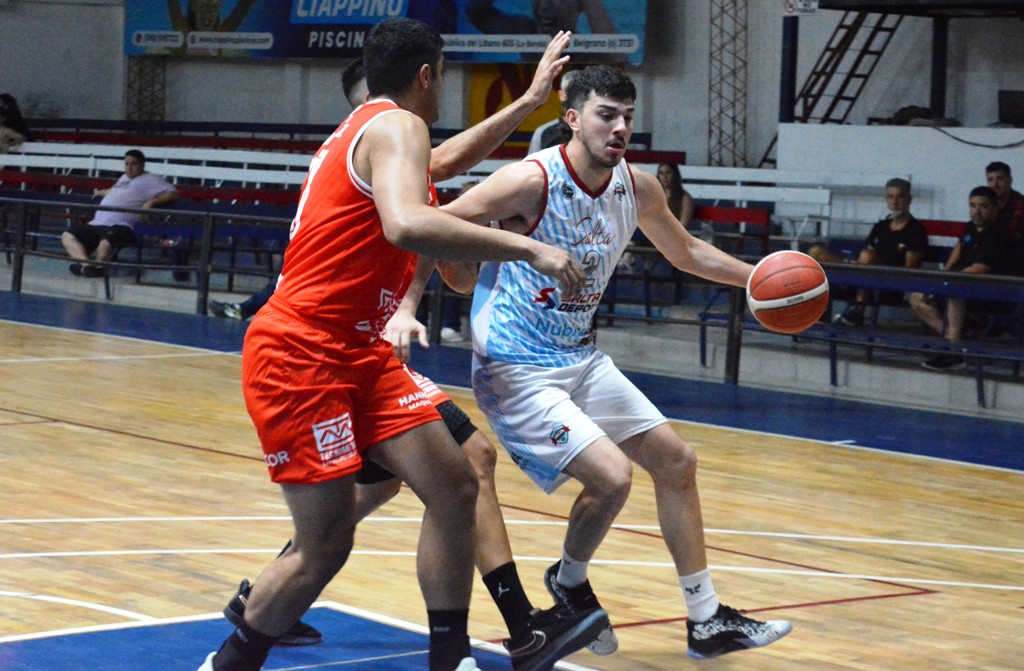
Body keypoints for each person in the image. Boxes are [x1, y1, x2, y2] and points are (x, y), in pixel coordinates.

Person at [197, 19, 591, 671]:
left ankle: (449, 656)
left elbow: (440, 166)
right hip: (305, 353)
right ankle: (227, 663)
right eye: (443, 77)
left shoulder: (372, 129)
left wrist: (526, 105)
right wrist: (530, 248)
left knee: (457, 481)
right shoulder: (397, 126)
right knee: (324, 545)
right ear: (427, 75)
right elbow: (407, 224)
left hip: (359, 354)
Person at [438, 64, 793, 661]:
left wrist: (758, 281)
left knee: (677, 462)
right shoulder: (529, 181)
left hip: (577, 356)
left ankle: (704, 619)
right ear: (572, 119)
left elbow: (686, 251)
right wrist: (451, 281)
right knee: (614, 476)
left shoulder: (639, 187)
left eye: (628, 116)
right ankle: (570, 584)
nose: (621, 127)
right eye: (607, 114)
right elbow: (437, 226)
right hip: (516, 367)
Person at [909, 186, 1018, 371]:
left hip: (997, 295)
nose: (977, 211)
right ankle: (957, 342)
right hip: (968, 289)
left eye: (983, 206)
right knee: (916, 297)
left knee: (955, 292)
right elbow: (960, 248)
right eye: (973, 205)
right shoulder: (970, 228)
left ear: (995, 208)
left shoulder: (1001, 233)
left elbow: (980, 269)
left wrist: (943, 284)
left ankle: (954, 351)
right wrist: (945, 273)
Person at [60, 149, 178, 278]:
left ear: (142, 165)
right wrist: (103, 192)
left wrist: (151, 202)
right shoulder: (124, 178)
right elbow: (118, 191)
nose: (130, 167)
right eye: (127, 164)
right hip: (97, 223)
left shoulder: (151, 179)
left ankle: (97, 267)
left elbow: (172, 193)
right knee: (68, 235)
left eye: (134, 164)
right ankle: (88, 266)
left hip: (122, 226)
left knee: (106, 242)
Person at [831, 178, 929, 327]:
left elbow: (910, 270)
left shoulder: (915, 231)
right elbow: (866, 254)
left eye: (900, 197)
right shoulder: (881, 226)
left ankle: (857, 311)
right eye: (890, 197)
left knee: (867, 257)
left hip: (891, 286)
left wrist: (871, 265)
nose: (894, 202)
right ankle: (814, 314)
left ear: (909, 199)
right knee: (817, 252)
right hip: (866, 278)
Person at [466, 0, 615, 37]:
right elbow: (476, 12)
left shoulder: (588, 52)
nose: (544, 6)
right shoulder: (524, 31)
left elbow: (615, 50)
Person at [527, 70, 576, 155]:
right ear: (561, 95)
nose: (575, 99)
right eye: (570, 93)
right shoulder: (544, 133)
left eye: (581, 94)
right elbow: (531, 166)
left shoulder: (597, 130)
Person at [985, 161, 1024, 236]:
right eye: (990, 180)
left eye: (1000, 179)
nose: (994, 185)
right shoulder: (986, 204)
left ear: (1010, 180)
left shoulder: (1021, 204)